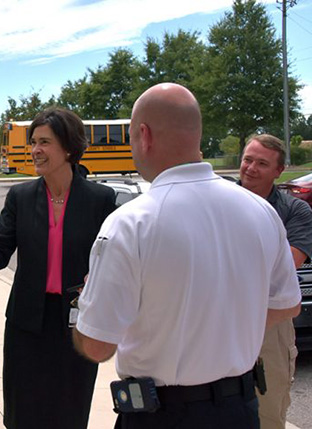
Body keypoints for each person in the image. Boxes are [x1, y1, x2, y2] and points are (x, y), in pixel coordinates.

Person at [73, 83, 302, 429]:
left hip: (163, 414)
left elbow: (96, 346)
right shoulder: (260, 211)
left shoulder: (130, 222)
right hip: (240, 409)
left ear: (144, 135)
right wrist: (223, 323)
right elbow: (287, 305)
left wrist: (83, 304)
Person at [0, 107, 117, 429]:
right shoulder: (21, 197)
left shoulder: (100, 199)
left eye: (45, 142)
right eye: (33, 142)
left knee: (70, 408)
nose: (35, 150)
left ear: (69, 147)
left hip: (77, 323)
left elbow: (110, 259)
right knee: (22, 411)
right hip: (27, 324)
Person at [239, 134, 312, 429]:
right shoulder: (216, 204)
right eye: (247, 159)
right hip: (218, 319)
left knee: (268, 412)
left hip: (271, 320)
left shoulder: (296, 211)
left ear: (279, 171)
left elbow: (287, 265)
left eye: (262, 163)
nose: (250, 168)